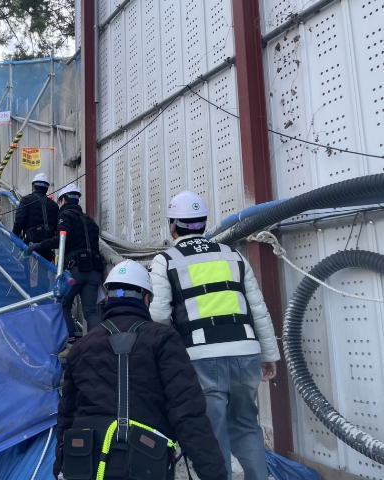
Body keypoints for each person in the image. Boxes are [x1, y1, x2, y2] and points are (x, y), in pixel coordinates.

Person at [54, 260, 228, 480]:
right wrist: (214, 474)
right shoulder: (164, 339)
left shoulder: (82, 346)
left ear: (108, 297)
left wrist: (60, 465)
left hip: (86, 465)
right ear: (146, 298)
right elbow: (188, 413)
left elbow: (67, 415)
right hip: (145, 464)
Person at [149, 190, 280, 480]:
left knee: (212, 431)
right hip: (246, 354)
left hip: (201, 358)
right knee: (247, 425)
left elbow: (158, 316)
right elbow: (258, 309)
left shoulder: (166, 260)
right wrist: (269, 354)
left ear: (172, 225)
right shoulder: (232, 254)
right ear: (204, 222)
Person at [28, 184, 103, 347]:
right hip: (95, 270)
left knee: (63, 304)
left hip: (76, 270)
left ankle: (70, 343)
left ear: (63, 200)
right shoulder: (90, 221)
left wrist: (39, 245)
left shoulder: (65, 216)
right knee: (90, 311)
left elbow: (62, 240)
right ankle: (104, 343)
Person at [12, 173, 59, 261]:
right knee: (45, 266)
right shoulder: (54, 205)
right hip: (48, 244)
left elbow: (19, 221)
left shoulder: (26, 200)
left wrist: (14, 236)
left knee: (28, 266)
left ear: (33, 187)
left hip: (31, 241)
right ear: (47, 188)